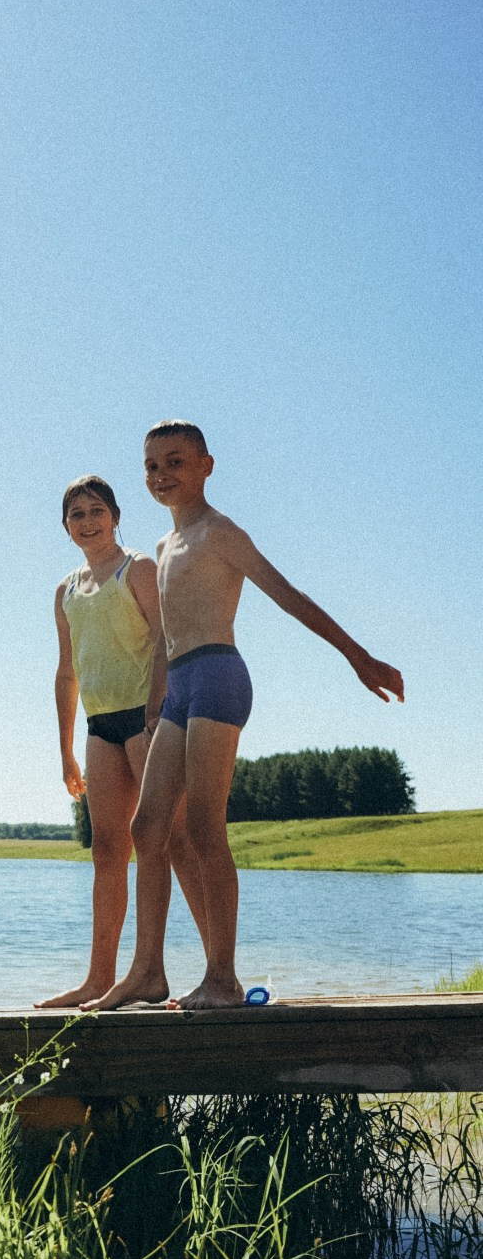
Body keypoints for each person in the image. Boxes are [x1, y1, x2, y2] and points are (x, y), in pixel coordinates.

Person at [82, 421, 404, 1012]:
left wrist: (359, 657)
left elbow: (288, 595)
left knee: (204, 827)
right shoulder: (162, 547)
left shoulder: (220, 533)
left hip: (219, 678)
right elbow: (163, 639)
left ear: (207, 466)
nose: (162, 476)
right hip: (178, 689)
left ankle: (222, 978)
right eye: (152, 466)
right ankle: (147, 973)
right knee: (147, 828)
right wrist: (155, 705)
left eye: (176, 462)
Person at [35, 475, 207, 1008]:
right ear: (66, 529)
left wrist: (159, 705)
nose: (88, 522)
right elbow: (67, 674)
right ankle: (99, 979)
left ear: (115, 516)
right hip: (99, 726)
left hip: (145, 718)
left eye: (96, 511)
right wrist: (65, 750)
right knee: (108, 850)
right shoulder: (66, 591)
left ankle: (217, 972)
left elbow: (165, 638)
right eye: (77, 515)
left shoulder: (139, 569)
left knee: (174, 841)